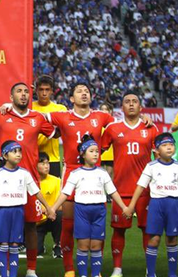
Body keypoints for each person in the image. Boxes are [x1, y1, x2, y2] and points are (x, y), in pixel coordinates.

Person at [46, 83, 115, 277]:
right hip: (72, 173)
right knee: (68, 225)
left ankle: (96, 270)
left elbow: (120, 125)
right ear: (71, 99)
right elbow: (37, 116)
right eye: (79, 91)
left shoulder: (101, 116)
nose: (84, 94)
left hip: (94, 176)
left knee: (96, 224)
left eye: (87, 91)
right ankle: (69, 269)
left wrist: (143, 119)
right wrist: (8, 108)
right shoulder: (62, 115)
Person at [0, 83, 56, 277]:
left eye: (27, 92)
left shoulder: (37, 117)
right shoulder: (1, 114)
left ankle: (31, 270)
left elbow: (54, 133)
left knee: (30, 225)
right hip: (7, 181)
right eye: (19, 91)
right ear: (11, 96)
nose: (24, 94)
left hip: (30, 179)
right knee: (6, 226)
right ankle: (6, 269)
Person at [0, 141, 54, 277]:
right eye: (14, 152)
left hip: (18, 212)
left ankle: (12, 274)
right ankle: (4, 273)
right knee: (3, 244)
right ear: (5, 156)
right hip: (2, 212)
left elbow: (36, 192)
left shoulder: (25, 174)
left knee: (14, 244)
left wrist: (48, 208)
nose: (18, 155)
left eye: (19, 152)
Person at [49, 135, 128, 277]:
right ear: (83, 154)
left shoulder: (102, 173)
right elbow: (65, 194)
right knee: (83, 245)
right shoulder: (75, 174)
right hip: (81, 212)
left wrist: (124, 207)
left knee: (96, 246)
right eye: (91, 151)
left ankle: (96, 274)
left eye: (97, 151)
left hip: (99, 212)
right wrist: (53, 208)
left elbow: (113, 192)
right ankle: (84, 274)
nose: (95, 154)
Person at [101, 91, 158, 277]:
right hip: (120, 189)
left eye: (135, 101)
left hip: (145, 190)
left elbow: (160, 157)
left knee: (147, 230)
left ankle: (150, 268)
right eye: (127, 102)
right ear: (122, 108)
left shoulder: (151, 128)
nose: (131, 104)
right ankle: (117, 268)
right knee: (118, 231)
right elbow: (96, 151)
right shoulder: (113, 128)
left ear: (141, 107)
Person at [123, 133, 178, 277]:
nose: (169, 148)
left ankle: (172, 273)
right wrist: (131, 206)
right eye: (165, 145)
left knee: (172, 239)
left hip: (173, 205)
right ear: (157, 150)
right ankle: (151, 273)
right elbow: (140, 187)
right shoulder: (151, 166)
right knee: (154, 238)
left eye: (171, 145)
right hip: (156, 205)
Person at [32, 75, 67, 178]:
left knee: (54, 191)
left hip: (53, 159)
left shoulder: (60, 109)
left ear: (52, 91)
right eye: (41, 90)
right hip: (33, 158)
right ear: (36, 91)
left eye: (47, 90)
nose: (44, 93)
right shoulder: (29, 107)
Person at [36, 153, 62, 259]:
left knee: (60, 215)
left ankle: (58, 245)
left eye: (47, 163)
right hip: (37, 219)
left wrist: (50, 211)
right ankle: (38, 246)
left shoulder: (56, 181)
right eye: (42, 163)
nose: (46, 166)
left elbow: (61, 205)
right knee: (36, 250)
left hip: (53, 217)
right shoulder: (30, 182)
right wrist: (46, 210)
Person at [98, 103, 115, 179]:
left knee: (109, 175)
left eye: (106, 109)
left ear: (110, 111)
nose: (104, 111)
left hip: (111, 153)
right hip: (100, 153)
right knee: (100, 176)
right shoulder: (97, 124)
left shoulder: (114, 123)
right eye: (102, 109)